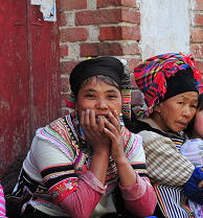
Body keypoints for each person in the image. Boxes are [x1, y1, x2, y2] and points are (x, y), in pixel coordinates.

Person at [9, 56, 157, 217]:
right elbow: (79, 210)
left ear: (121, 101)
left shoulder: (130, 141)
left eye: (111, 96)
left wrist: (120, 157)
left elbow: (145, 209)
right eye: (90, 96)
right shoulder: (52, 139)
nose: (102, 105)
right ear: (76, 102)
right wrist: (101, 151)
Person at [129, 52, 203, 218]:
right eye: (181, 103)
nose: (187, 113)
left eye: (193, 105)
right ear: (158, 104)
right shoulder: (148, 139)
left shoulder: (177, 133)